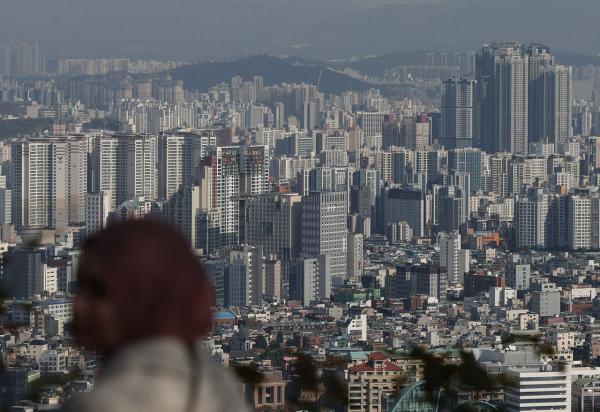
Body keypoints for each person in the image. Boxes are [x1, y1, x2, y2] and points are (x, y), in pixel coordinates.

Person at [64, 219, 248, 412]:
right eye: (79, 288)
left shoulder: (99, 405)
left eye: (99, 292)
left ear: (146, 297)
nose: (78, 304)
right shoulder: (218, 386)